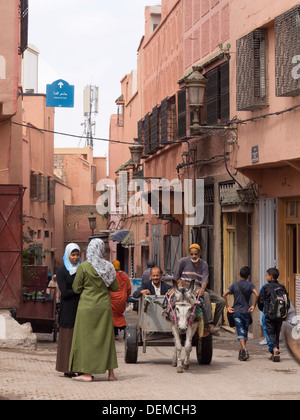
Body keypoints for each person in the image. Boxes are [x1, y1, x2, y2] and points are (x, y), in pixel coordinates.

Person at [69, 238, 119, 382]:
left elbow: (76, 288)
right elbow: (115, 287)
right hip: (103, 307)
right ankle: (111, 374)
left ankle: (86, 374)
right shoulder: (108, 267)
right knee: (107, 339)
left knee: (86, 340)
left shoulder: (84, 267)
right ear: (102, 250)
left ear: (89, 250)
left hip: (87, 308)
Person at [173, 244, 224, 335]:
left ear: (200, 253)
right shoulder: (182, 262)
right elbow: (176, 278)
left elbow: (205, 279)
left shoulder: (203, 264)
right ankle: (208, 323)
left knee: (221, 301)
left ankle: (212, 325)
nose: (194, 256)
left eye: (196, 254)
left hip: (199, 287)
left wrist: (202, 289)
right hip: (186, 289)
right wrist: (188, 285)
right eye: (192, 254)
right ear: (189, 253)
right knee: (205, 295)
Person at [223, 266, 259, 361]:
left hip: (237, 311)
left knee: (240, 331)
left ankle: (244, 350)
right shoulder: (250, 285)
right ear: (249, 276)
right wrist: (253, 306)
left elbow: (224, 294)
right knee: (245, 332)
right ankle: (242, 352)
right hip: (246, 311)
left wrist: (228, 307)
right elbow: (257, 294)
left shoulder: (234, 285)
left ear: (239, 274)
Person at [55, 243, 81, 377]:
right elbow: (64, 292)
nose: (75, 258)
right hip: (68, 310)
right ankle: (67, 368)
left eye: (77, 255)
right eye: (73, 255)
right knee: (68, 339)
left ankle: (81, 368)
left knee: (80, 339)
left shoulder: (82, 269)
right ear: (68, 255)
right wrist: (79, 291)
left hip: (81, 309)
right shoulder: (62, 271)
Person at [258, 267, 290, 362]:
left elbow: (261, 301)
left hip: (269, 313)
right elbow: (287, 301)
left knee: (270, 332)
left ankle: (275, 349)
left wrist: (262, 309)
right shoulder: (282, 287)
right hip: (280, 315)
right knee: (276, 331)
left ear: (271, 277)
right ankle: (274, 352)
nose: (266, 277)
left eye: (267, 275)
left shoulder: (265, 287)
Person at [110, 260, 131, 340]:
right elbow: (129, 288)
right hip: (122, 299)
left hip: (112, 298)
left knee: (113, 316)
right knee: (119, 315)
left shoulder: (112, 275)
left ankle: (116, 334)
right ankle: (125, 330)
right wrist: (126, 297)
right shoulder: (124, 275)